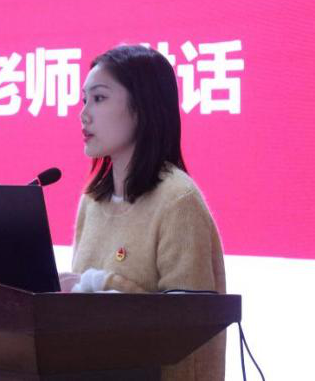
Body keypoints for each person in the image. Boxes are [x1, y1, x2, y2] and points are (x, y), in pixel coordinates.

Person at [62, 44, 226, 381]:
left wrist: (97, 283)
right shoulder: (92, 200)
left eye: (99, 98)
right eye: (84, 100)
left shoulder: (178, 200)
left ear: (141, 107)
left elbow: (184, 327)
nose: (84, 114)